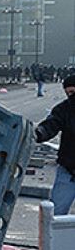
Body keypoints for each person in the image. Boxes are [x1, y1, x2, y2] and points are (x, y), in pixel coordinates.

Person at [35, 74, 75, 215]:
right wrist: (39, 133)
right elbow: (52, 124)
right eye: (69, 93)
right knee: (56, 215)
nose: (72, 96)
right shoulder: (64, 109)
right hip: (69, 168)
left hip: (68, 166)